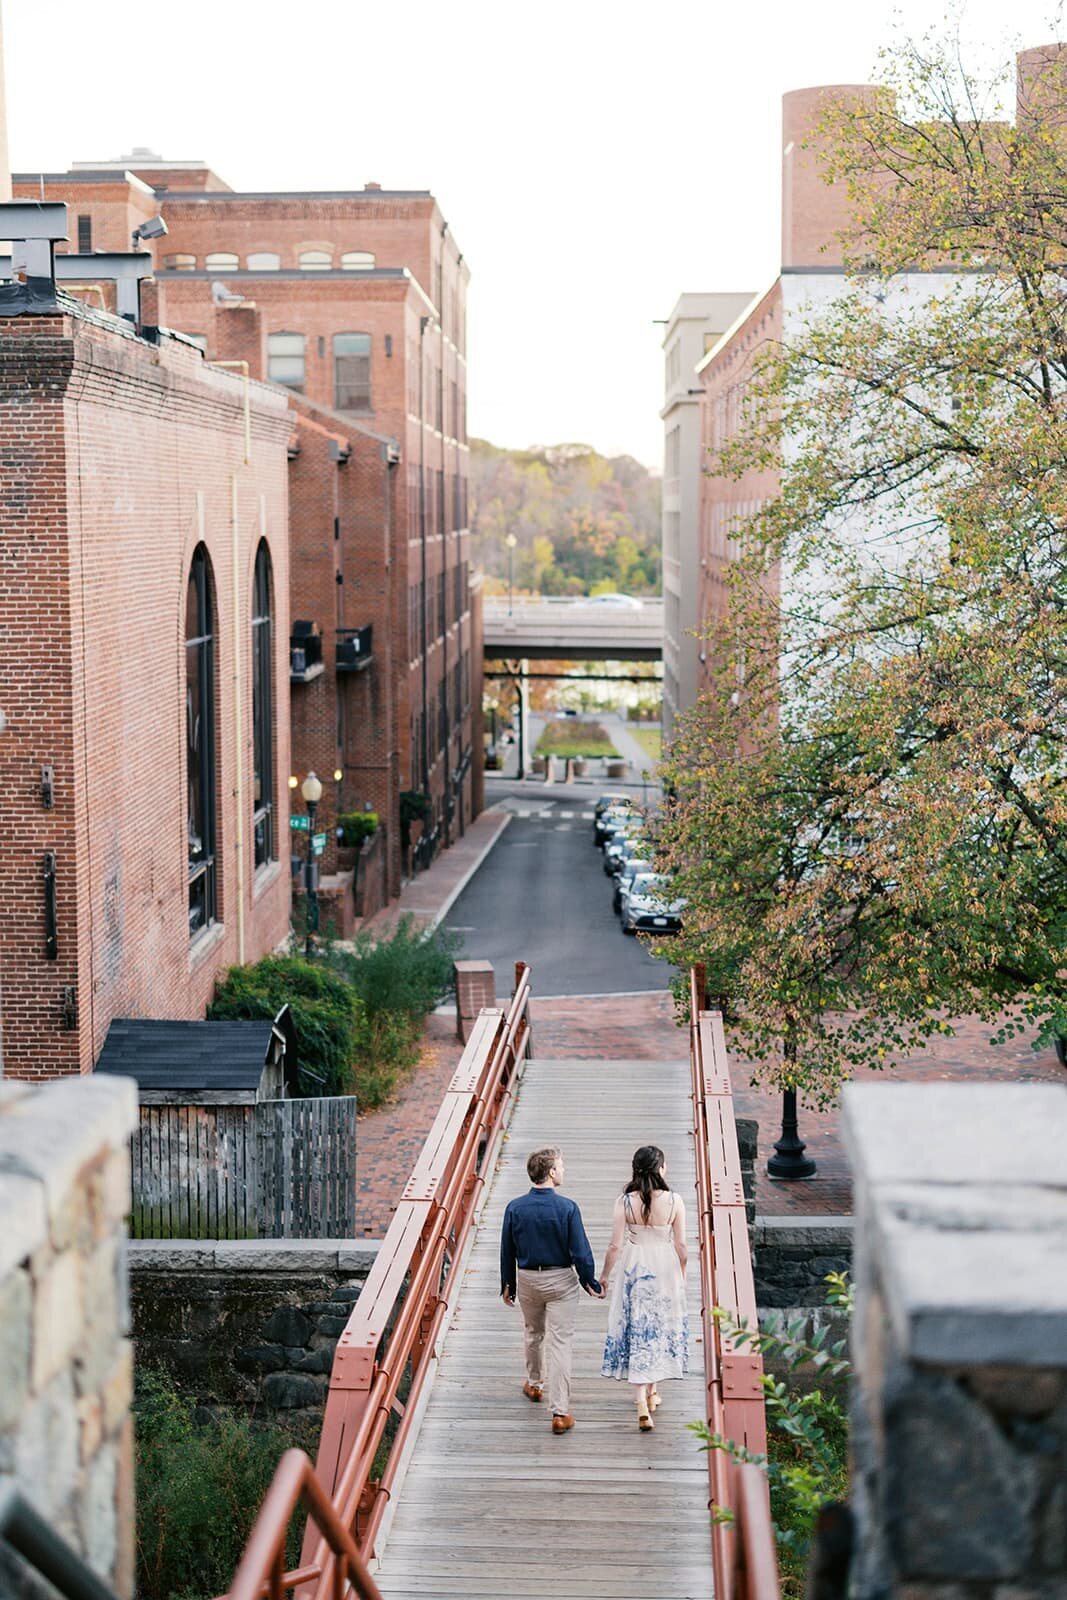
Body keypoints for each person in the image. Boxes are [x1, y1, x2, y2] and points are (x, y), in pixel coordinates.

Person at [500, 1146, 603, 1434]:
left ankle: (534, 1385)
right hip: (560, 1281)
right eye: (561, 1166)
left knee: (533, 1332)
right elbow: (580, 1252)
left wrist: (507, 1283)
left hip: (528, 1279)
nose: (564, 1170)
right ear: (552, 1173)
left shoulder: (515, 1207)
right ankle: (560, 1411)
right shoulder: (567, 1208)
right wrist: (589, 1282)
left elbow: (507, 1249)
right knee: (560, 1342)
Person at [599, 1144, 688, 1431]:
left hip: (635, 1264)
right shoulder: (675, 1201)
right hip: (664, 1265)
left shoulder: (624, 1202)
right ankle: (651, 1393)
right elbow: (682, 1246)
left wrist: (604, 1276)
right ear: (661, 1169)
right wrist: (682, 1273)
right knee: (657, 1324)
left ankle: (643, 1398)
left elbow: (615, 1245)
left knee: (637, 1324)